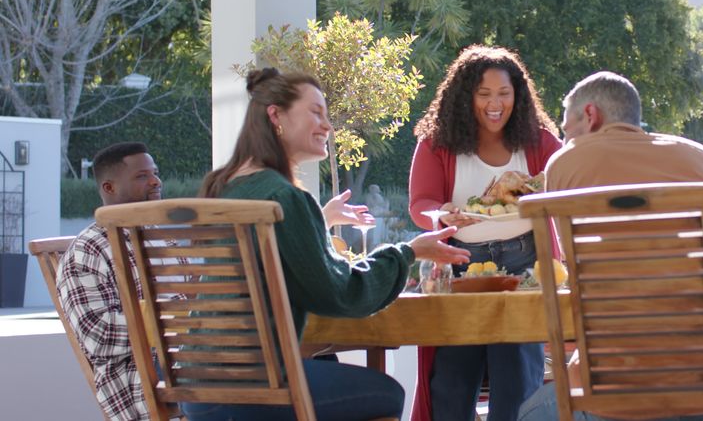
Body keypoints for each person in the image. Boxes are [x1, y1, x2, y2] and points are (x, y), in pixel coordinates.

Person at [187, 68, 470, 421]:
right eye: (316, 112)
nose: (327, 126)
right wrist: (408, 251)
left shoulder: (220, 187)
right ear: (275, 115)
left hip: (194, 383)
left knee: (329, 366)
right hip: (255, 387)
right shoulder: (283, 197)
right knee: (386, 392)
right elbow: (343, 293)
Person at [519, 71, 703, 421]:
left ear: (590, 115)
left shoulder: (565, 166)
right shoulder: (702, 160)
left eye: (566, 128)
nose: (564, 137)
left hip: (609, 392)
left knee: (527, 413)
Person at [409, 45, 562, 421]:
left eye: (504, 94)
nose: (495, 104)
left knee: (518, 384)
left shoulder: (540, 142)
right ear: (466, 96)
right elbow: (420, 204)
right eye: (484, 94)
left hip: (525, 267)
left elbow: (570, 183)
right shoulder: (437, 143)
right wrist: (441, 214)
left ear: (518, 96)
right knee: (452, 384)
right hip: (462, 268)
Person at [56, 142, 165, 421]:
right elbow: (99, 336)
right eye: (142, 176)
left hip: (183, 360)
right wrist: (173, 323)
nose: (155, 181)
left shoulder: (162, 237)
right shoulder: (87, 251)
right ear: (109, 188)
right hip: (137, 377)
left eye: (154, 172)